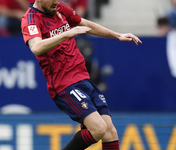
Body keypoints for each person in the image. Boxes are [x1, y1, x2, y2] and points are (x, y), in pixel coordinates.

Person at [21, 0, 142, 150]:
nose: (55, 1)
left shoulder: (58, 8)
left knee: (110, 132)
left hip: (83, 79)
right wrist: (66, 34)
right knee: (98, 129)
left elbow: (84, 23)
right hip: (64, 85)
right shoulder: (30, 19)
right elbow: (36, 47)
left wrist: (117, 35)